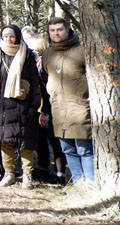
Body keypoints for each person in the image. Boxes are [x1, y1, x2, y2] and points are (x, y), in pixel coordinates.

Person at [0, 24, 40, 189]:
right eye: (6, 36)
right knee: (5, 141)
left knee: (25, 142)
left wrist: (34, 105)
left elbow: (35, 83)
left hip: (22, 104)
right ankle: (9, 174)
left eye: (12, 36)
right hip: (1, 105)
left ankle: (27, 175)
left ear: (17, 37)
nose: (9, 39)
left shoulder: (27, 55)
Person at [43, 17, 94, 186]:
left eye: (59, 29)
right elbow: (45, 77)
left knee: (84, 149)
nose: (56, 33)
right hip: (58, 109)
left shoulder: (82, 51)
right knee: (67, 149)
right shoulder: (48, 53)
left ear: (67, 30)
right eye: (52, 30)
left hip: (80, 107)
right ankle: (79, 184)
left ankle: (91, 185)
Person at [23, 24, 66, 185]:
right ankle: (43, 168)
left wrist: (45, 112)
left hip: (51, 107)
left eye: (31, 47)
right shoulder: (35, 64)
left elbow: (49, 89)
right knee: (41, 139)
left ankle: (60, 173)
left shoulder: (46, 65)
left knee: (55, 141)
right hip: (39, 107)